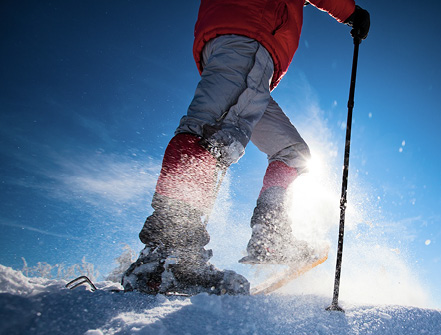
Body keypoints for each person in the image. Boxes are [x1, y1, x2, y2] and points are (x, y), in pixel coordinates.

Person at [121, 0, 370, 295]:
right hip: (251, 34)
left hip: (248, 48)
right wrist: (353, 14)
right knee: (209, 134)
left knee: (292, 153)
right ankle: (170, 255)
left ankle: (269, 236)